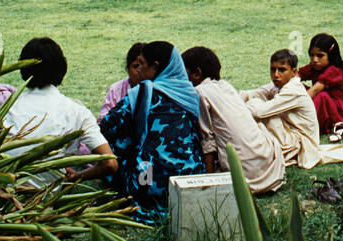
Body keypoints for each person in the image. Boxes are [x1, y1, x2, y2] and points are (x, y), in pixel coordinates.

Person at [100, 40, 205, 219]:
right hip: (190, 178)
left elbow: (107, 126)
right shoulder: (191, 94)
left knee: (120, 147)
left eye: (141, 64)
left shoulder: (142, 92)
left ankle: (141, 195)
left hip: (150, 181)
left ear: (155, 67)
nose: (138, 70)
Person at [3, 37, 117, 188]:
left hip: (5, 196)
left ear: (23, 68)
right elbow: (110, 164)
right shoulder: (76, 111)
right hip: (46, 199)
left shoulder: (8, 107)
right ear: (61, 68)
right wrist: (77, 177)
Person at [182, 46, 285, 193]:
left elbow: (208, 141)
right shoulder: (226, 86)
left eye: (184, 74)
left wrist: (209, 182)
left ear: (197, 73)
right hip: (269, 167)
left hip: (245, 176)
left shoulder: (200, 92)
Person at [242, 49, 343, 167]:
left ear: (294, 72)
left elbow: (260, 112)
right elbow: (256, 92)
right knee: (256, 101)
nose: (276, 75)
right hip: (290, 135)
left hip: (302, 144)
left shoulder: (293, 89)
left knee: (262, 112)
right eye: (273, 69)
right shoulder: (280, 83)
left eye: (282, 70)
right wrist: (235, 99)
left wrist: (237, 109)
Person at [299, 33, 343, 136]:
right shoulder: (314, 67)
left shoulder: (334, 71)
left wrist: (292, 105)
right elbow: (295, 77)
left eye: (320, 55)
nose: (315, 59)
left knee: (321, 96)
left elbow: (314, 91)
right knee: (298, 87)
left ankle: (304, 125)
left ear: (331, 55)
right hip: (328, 107)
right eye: (312, 55)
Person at [98, 41, 144, 121]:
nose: (140, 71)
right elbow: (103, 119)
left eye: (144, 67)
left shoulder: (155, 92)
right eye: (136, 66)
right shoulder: (116, 89)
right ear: (128, 67)